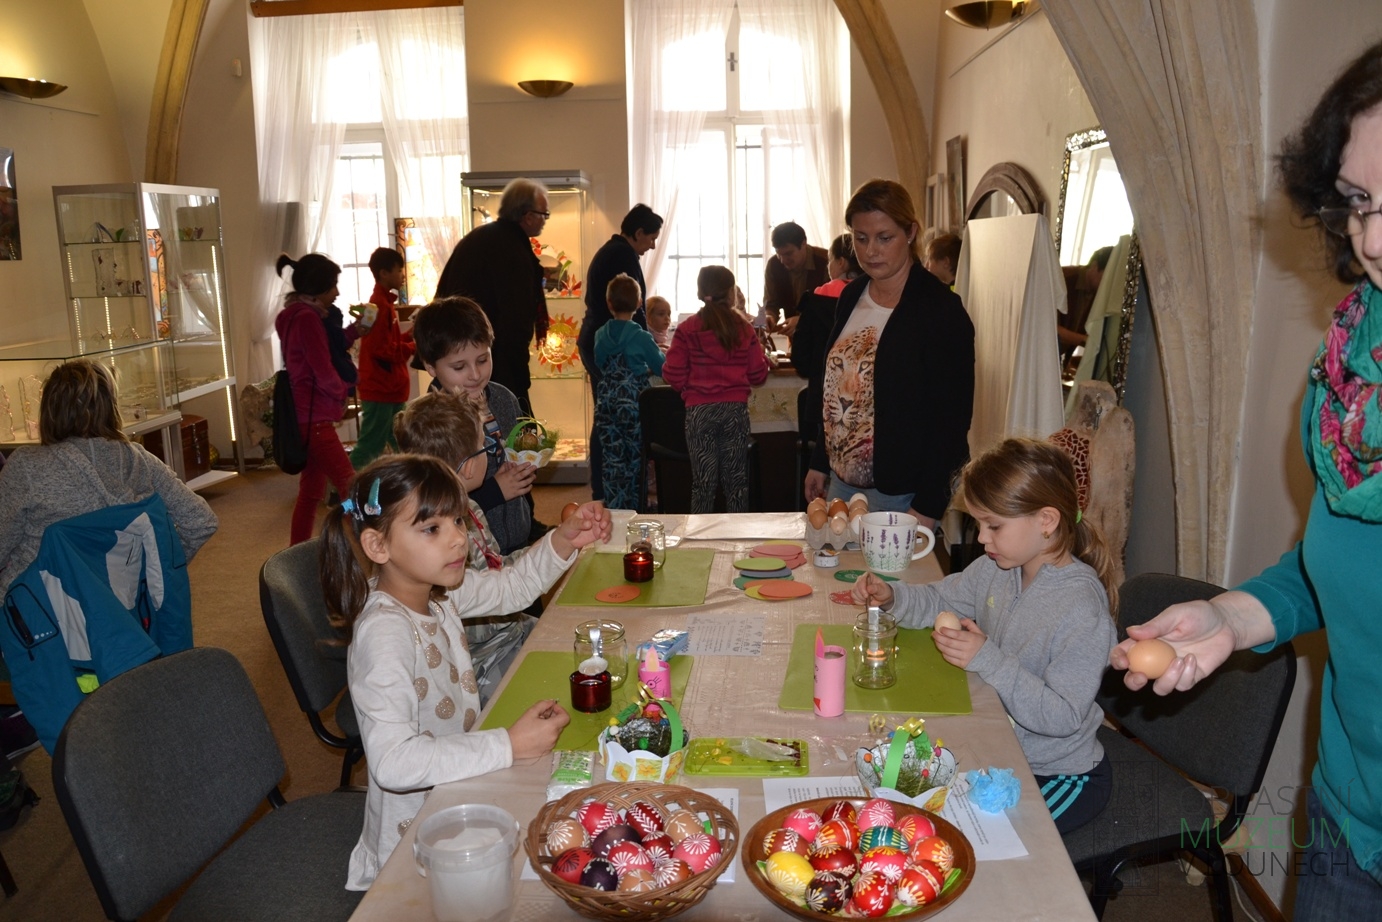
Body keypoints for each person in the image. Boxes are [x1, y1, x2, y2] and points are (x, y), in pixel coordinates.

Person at [1112, 42, 1382, 916]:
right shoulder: (1352, 369)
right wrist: (1232, 617)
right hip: (1349, 824)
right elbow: (1334, 561)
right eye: (1359, 202)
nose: (1373, 239)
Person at [322, 453, 610, 889]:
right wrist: (508, 744)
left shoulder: (438, 593)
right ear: (378, 546)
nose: (459, 538)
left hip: (460, 786)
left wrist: (564, 540)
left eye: (457, 520)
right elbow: (394, 762)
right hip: (416, 842)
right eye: (432, 529)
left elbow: (513, 587)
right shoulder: (384, 633)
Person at [852, 438, 1118, 834]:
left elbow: (1063, 716)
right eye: (979, 524)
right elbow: (941, 599)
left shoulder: (1081, 608)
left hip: (1058, 773)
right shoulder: (998, 568)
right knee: (923, 817)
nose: (981, 538)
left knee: (982, 839)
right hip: (1002, 749)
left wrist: (988, 658)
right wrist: (893, 597)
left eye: (994, 526)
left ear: (1046, 520)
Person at [804, 179, 975, 532]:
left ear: (910, 232)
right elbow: (837, 387)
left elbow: (952, 420)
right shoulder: (851, 296)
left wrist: (928, 505)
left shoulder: (940, 310)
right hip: (841, 483)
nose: (870, 251)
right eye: (860, 238)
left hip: (902, 493)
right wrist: (820, 460)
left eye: (884, 238)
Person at [0, 359, 218, 593]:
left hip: (39, 605)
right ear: (110, 408)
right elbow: (201, 521)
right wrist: (152, 572)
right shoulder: (140, 460)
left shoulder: (26, 466)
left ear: (49, 411)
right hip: (119, 602)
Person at [392, 391, 534, 706]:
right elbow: (468, 619)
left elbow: (495, 567)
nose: (491, 453)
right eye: (486, 446)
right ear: (469, 466)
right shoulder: (440, 536)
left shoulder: (469, 509)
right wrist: (527, 582)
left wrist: (541, 554)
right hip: (477, 663)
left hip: (508, 634)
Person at [410, 297, 535, 556]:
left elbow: (514, 454)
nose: (475, 375)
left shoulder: (504, 399)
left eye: (482, 360)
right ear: (430, 366)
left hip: (517, 534)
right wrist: (496, 492)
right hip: (469, 550)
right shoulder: (430, 424)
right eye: (459, 366)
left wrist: (526, 465)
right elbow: (431, 503)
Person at [433, 178, 549, 417]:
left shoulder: (480, 237)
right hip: (490, 359)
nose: (545, 220)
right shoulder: (512, 249)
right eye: (543, 214)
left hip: (456, 353)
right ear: (528, 216)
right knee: (511, 428)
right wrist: (518, 371)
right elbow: (516, 320)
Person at [662, 265, 772, 513]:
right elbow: (758, 375)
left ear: (700, 292)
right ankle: (738, 533)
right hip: (734, 411)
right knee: (736, 483)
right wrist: (764, 358)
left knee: (703, 484)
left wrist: (688, 386)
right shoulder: (743, 328)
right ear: (731, 293)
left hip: (699, 412)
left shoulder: (687, 329)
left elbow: (672, 374)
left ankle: (700, 534)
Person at [578, 204, 663, 502]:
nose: (652, 245)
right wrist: (647, 346)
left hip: (596, 341)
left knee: (606, 419)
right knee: (624, 435)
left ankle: (607, 492)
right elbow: (633, 313)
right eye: (651, 238)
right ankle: (617, 493)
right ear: (638, 232)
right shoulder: (622, 256)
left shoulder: (612, 251)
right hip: (618, 353)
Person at [275, 252, 358, 545]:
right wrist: (344, 390)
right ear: (318, 288)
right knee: (350, 485)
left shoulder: (291, 315)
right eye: (332, 285)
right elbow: (322, 369)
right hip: (315, 418)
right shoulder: (309, 319)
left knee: (310, 493)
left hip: (302, 415)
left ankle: (296, 549)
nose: (336, 292)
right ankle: (351, 543)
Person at [594, 273, 666, 509]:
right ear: (639, 303)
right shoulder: (641, 337)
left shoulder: (600, 334)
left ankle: (616, 509)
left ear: (609, 303)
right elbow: (662, 367)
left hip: (606, 401)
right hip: (634, 402)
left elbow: (599, 363)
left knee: (612, 457)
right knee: (636, 457)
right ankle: (636, 508)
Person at [791, 234, 862, 457]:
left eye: (830, 260)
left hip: (824, 396)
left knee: (827, 457)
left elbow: (800, 357)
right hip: (865, 398)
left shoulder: (816, 300)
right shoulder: (873, 297)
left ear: (841, 262)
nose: (828, 266)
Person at [350, 246, 415, 470]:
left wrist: (409, 335)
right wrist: (412, 347)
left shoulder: (386, 304)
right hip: (380, 388)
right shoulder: (378, 306)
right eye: (399, 270)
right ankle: (347, 484)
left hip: (391, 388)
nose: (403, 275)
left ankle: (408, 480)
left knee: (401, 439)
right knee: (372, 444)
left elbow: (388, 342)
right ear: (384, 273)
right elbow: (382, 350)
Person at [763, 221, 829, 334]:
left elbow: (832, 308)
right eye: (779, 254)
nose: (783, 260)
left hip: (824, 336)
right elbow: (771, 303)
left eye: (788, 254)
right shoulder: (773, 265)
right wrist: (769, 317)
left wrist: (803, 320)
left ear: (803, 243)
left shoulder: (826, 261)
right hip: (794, 338)